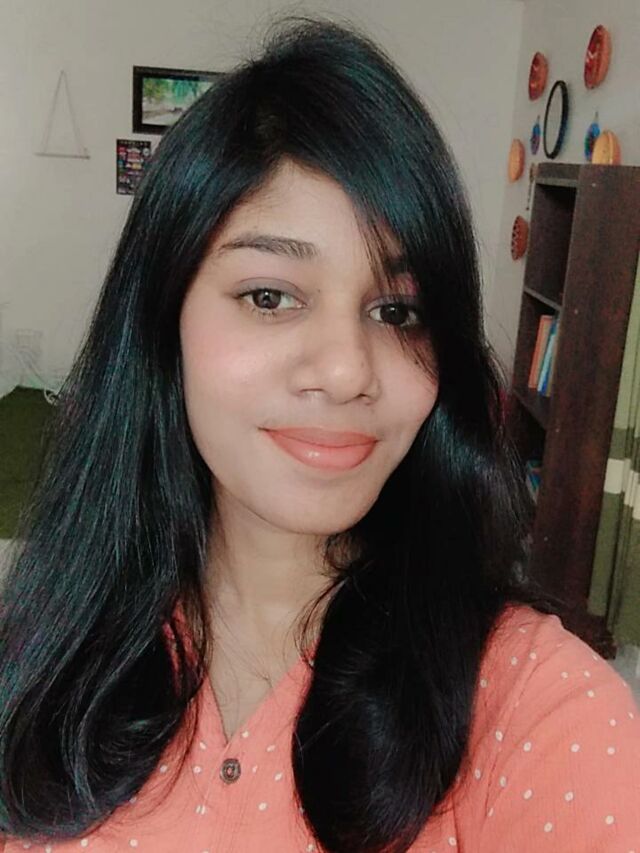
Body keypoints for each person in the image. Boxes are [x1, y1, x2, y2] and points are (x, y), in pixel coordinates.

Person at [0, 13, 638, 853]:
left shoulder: (538, 707)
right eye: (270, 296)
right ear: (163, 318)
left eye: (397, 311)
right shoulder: (42, 646)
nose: (345, 371)